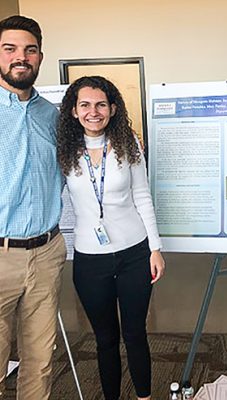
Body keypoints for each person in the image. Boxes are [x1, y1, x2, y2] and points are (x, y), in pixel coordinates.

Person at [57, 75, 165, 400]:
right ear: (74, 110)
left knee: (135, 334)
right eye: (85, 105)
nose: (93, 112)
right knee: (105, 340)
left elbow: (142, 195)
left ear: (113, 108)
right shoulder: (64, 150)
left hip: (135, 254)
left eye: (101, 104)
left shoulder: (127, 144)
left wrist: (155, 248)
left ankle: (144, 397)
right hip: (90, 260)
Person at [0, 15, 66, 400]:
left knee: (40, 361)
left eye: (30, 50)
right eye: (10, 48)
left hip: (46, 254)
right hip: (0, 254)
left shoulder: (52, 116)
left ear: (40, 56)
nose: (20, 57)